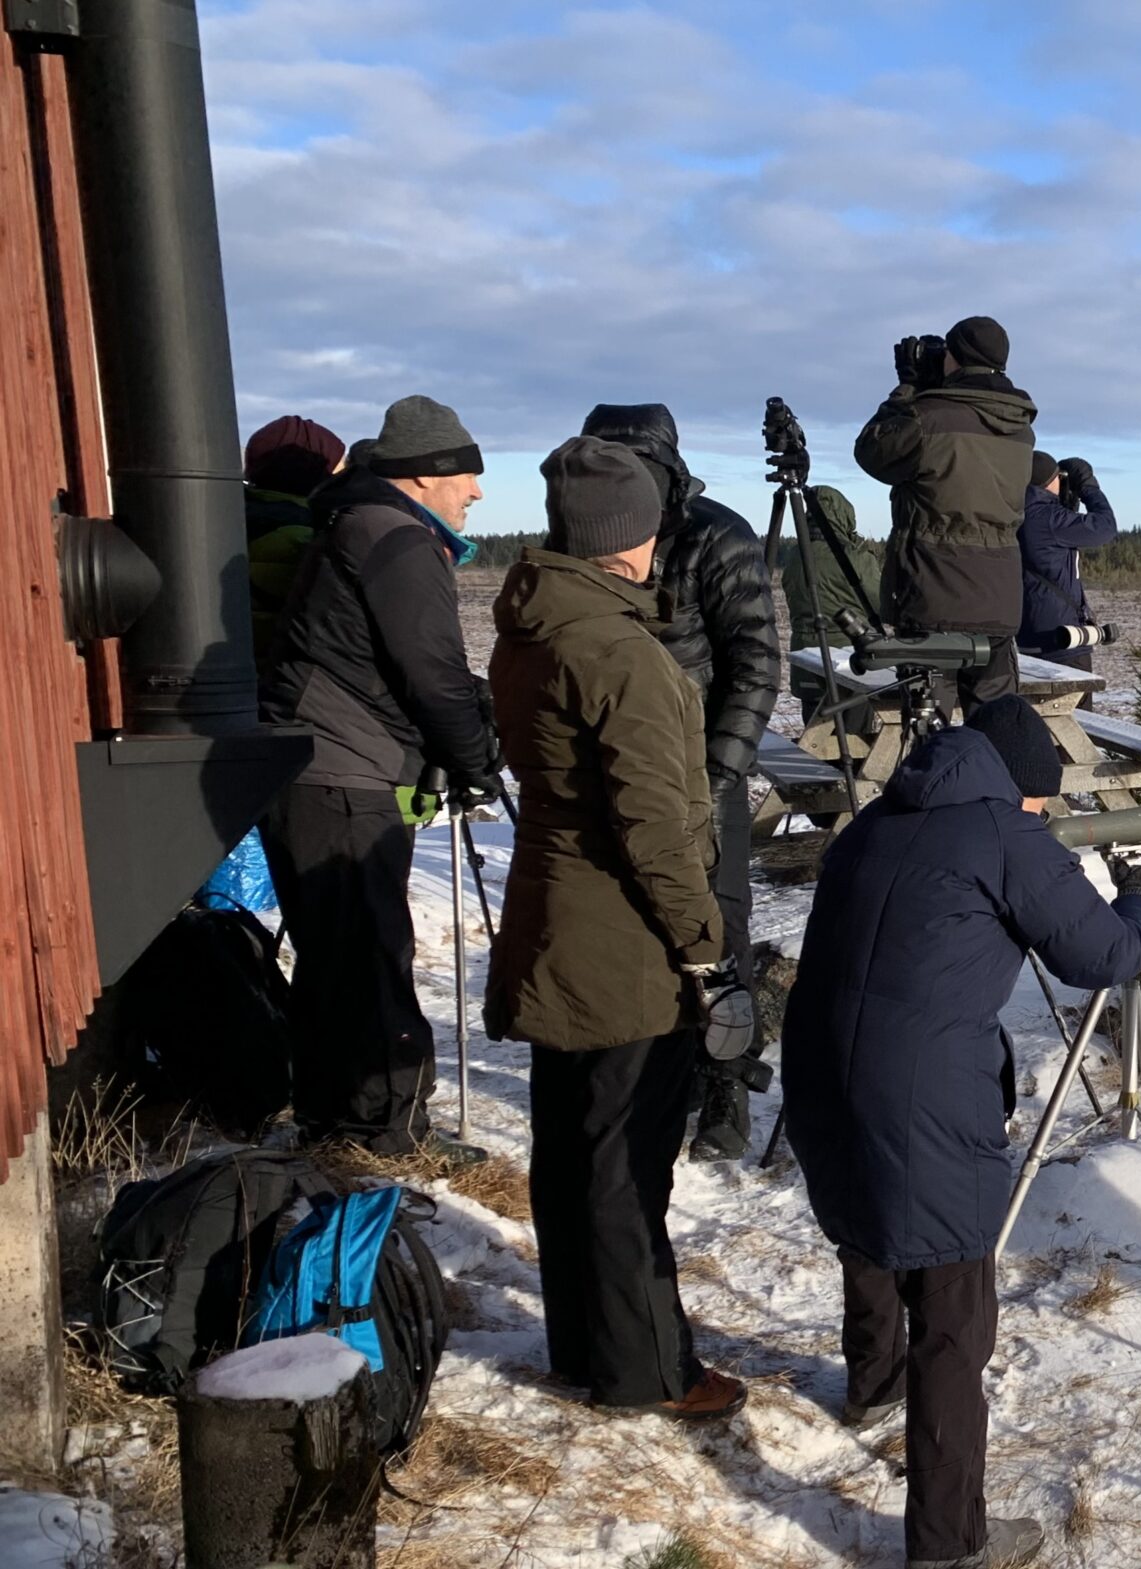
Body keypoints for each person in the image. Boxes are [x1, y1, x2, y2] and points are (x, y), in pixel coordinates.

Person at [782, 695, 1141, 1568]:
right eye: (1040, 801)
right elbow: (1102, 955)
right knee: (954, 1310)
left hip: (819, 1070)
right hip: (922, 1097)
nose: (1039, 815)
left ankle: (873, 1385)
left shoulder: (877, 819)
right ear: (1021, 789)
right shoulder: (1003, 832)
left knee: (871, 1221)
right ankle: (949, 1542)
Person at [483, 435, 747, 1422]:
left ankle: (586, 1347)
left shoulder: (536, 621)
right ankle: (647, 1371)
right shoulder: (619, 653)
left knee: (570, 1146)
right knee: (624, 1163)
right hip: (624, 938)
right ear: (627, 539)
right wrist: (704, 940)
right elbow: (655, 828)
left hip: (557, 915)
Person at [259, 395, 499, 1160]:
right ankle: (387, 1136)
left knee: (337, 960)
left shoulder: (360, 525)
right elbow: (434, 675)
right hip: (340, 771)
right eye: (467, 474)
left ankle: (336, 1127)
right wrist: (477, 760)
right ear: (426, 477)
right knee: (369, 959)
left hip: (317, 765)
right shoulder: (395, 539)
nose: (477, 491)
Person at [579, 402, 781, 1162]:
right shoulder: (584, 540)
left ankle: (725, 1077)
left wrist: (717, 774)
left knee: (717, 923)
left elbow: (756, 663)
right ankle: (647, 1063)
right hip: (610, 767)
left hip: (702, 768)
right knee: (623, 918)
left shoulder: (716, 536)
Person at [854, 315, 1038, 711]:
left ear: (953, 358)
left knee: (929, 732)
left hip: (932, 598)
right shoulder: (1021, 428)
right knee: (996, 726)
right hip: (1000, 601)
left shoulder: (928, 417)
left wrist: (907, 387)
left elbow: (873, 452)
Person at [241, 414, 345, 669]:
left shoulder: (233, 518)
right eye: (338, 471)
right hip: (276, 682)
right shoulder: (301, 540)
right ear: (315, 474)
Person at [780, 482, 887, 722]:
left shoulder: (796, 557)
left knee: (814, 739)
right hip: (850, 663)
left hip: (805, 658)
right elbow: (882, 606)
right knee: (857, 741)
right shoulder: (855, 557)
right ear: (844, 516)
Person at [1016, 453, 1118, 675]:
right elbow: (1105, 527)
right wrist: (1089, 489)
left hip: (1024, 636)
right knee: (1076, 709)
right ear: (1050, 480)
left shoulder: (1012, 514)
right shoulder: (1049, 518)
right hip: (1060, 640)